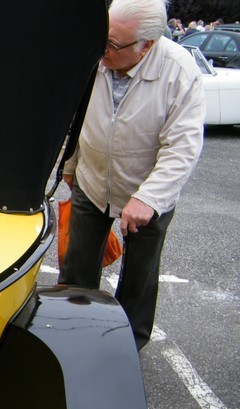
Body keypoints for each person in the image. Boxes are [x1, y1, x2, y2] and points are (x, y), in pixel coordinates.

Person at [59, 0, 205, 350]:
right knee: (77, 266)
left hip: (147, 191)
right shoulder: (95, 56)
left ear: (147, 45)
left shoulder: (179, 71)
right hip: (93, 182)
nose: (103, 50)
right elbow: (74, 117)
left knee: (140, 273)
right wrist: (70, 166)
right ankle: (72, 334)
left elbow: (182, 146)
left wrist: (149, 198)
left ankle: (127, 344)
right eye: (103, 38)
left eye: (113, 44)